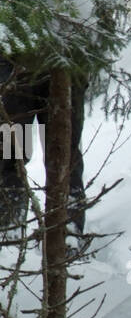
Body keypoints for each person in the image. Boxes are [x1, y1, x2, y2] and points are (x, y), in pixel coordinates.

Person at [0, 57, 88, 241]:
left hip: (66, 63)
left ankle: (67, 231)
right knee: (11, 153)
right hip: (16, 67)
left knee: (64, 154)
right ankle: (9, 225)